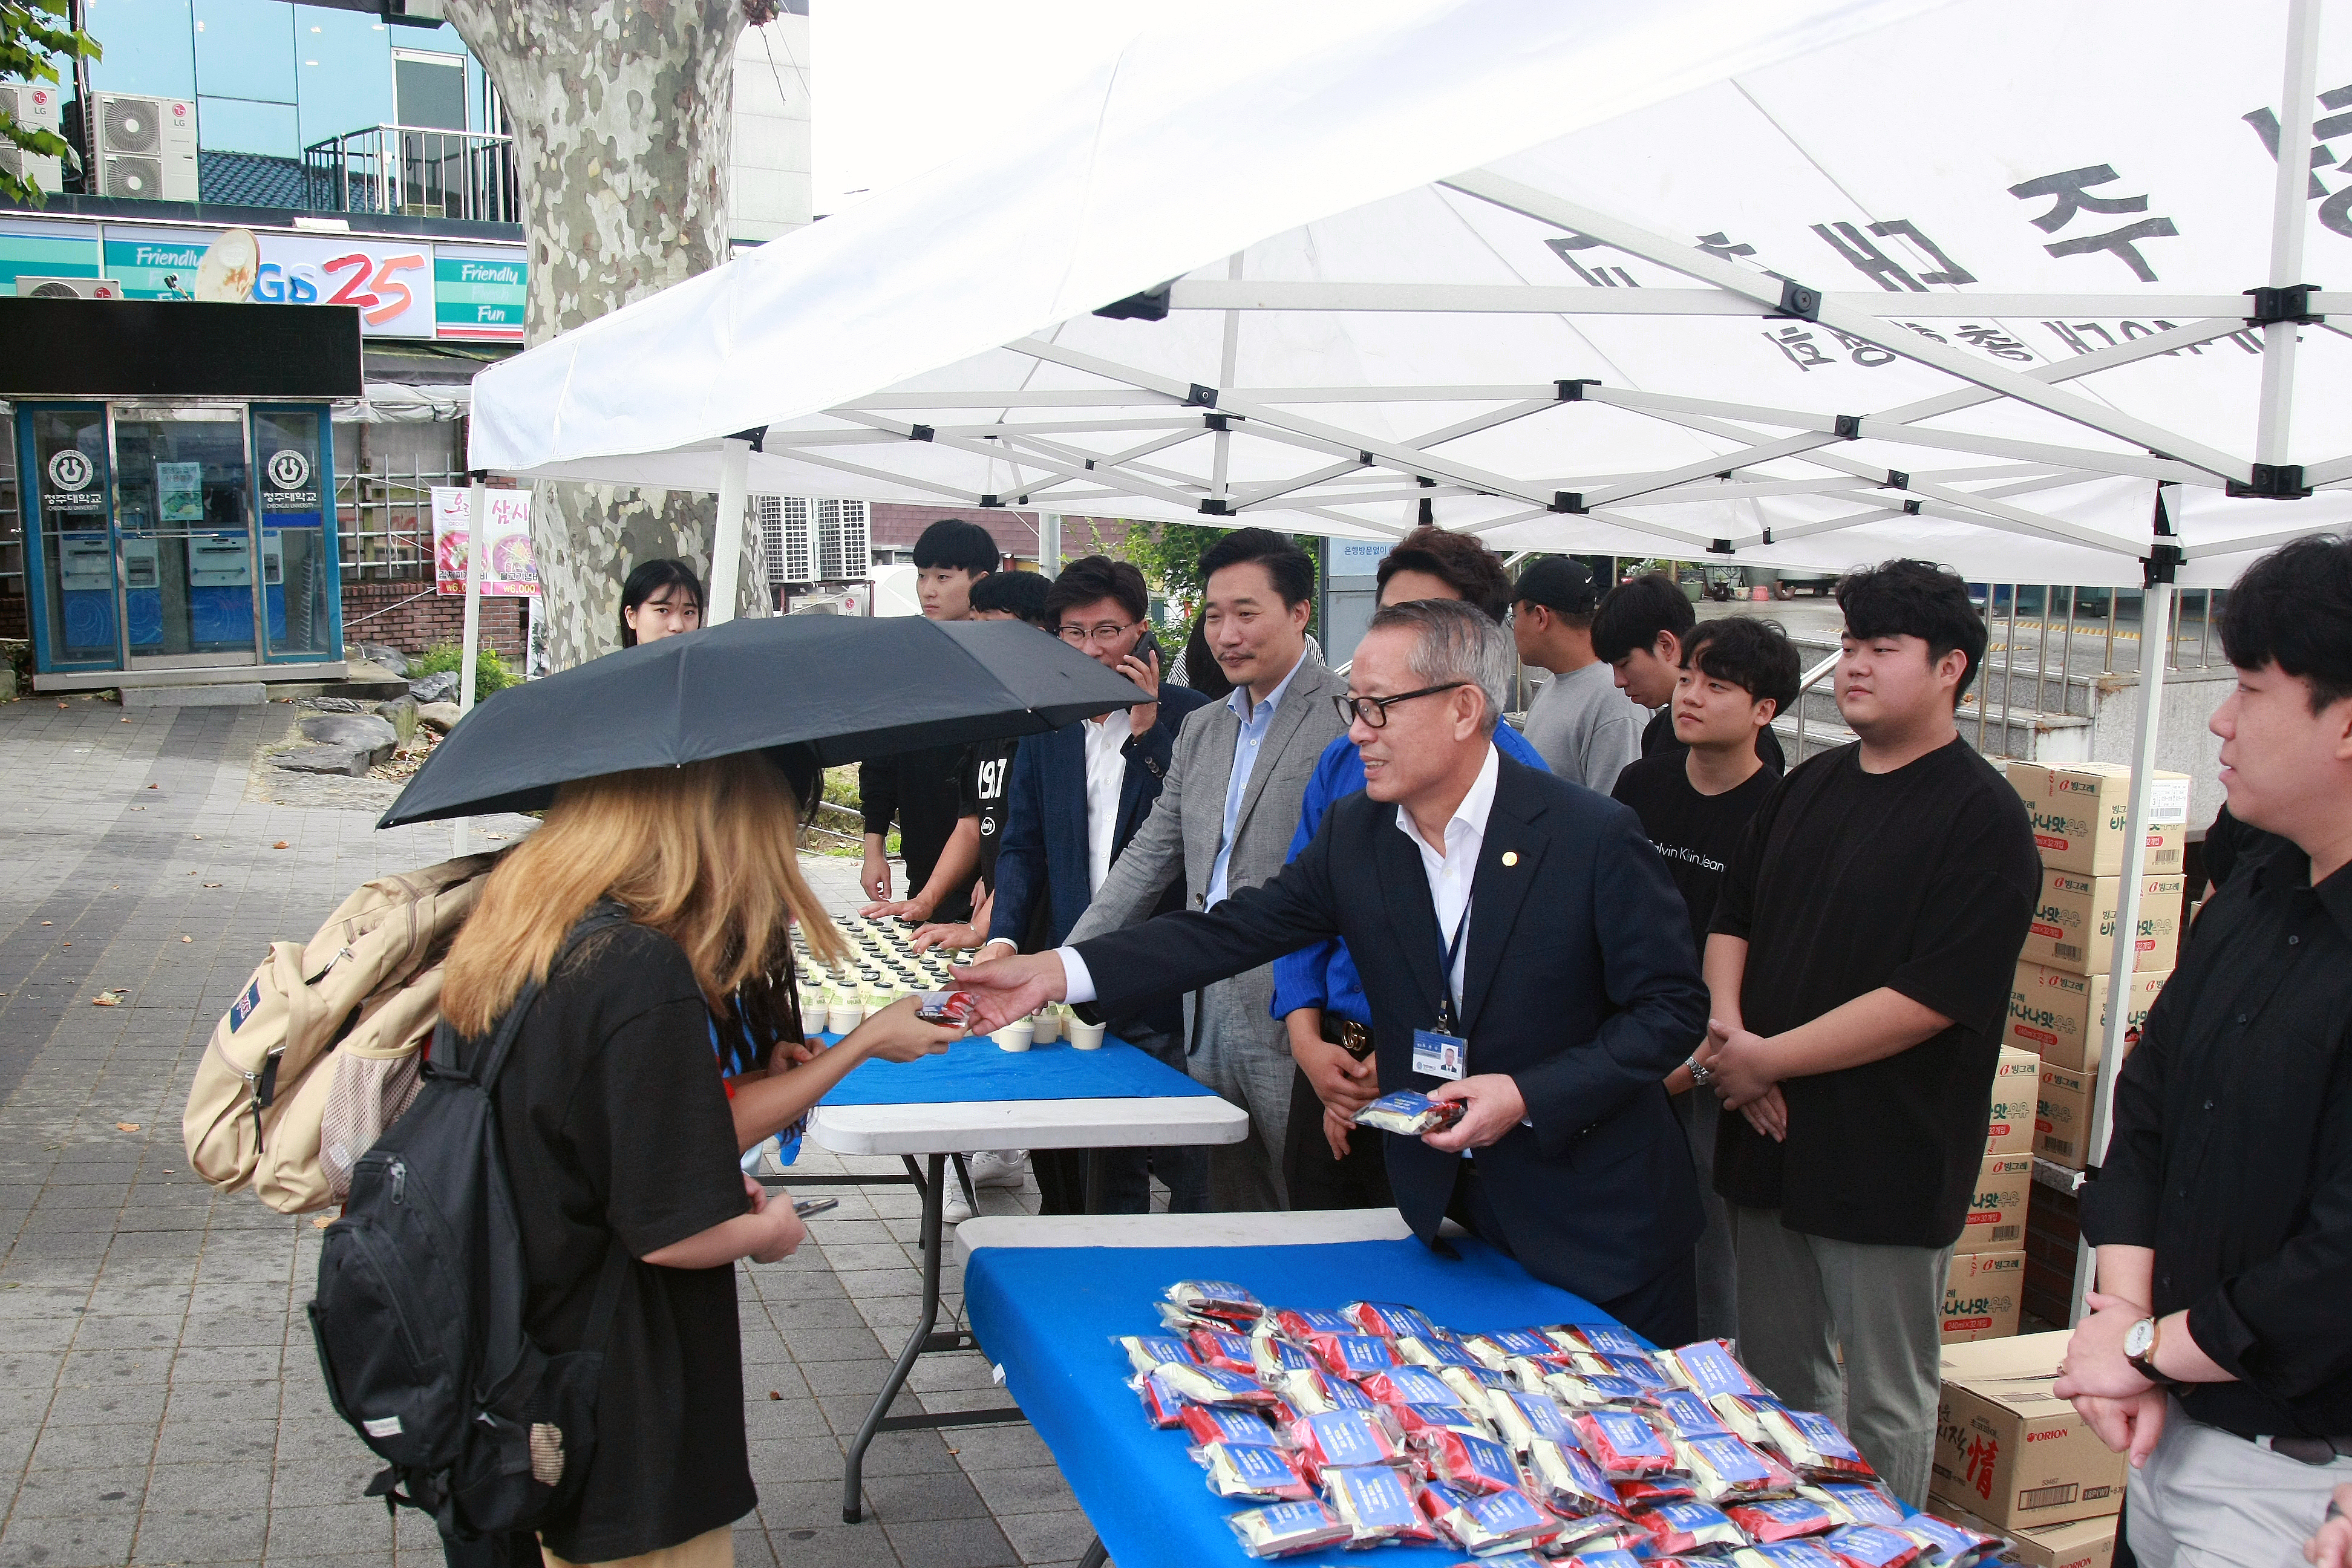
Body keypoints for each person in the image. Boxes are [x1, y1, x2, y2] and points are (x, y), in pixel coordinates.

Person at [954, 600, 1710, 1342]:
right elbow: (1234, 930)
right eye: (1355, 705)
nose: (1356, 733)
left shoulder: (1588, 836)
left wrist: (1526, 1094)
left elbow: (1671, 1011)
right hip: (1451, 1216)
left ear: (1463, 708)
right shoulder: (1363, 833)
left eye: (1379, 709)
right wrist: (1058, 972)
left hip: (1599, 1225)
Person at [440, 752, 957, 1568]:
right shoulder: (638, 966)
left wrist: (760, 1079)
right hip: (614, 1394)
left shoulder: (529, 916)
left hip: (512, 1356)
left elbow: (597, 1119)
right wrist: (767, 1229)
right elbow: (669, 1228)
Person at [1694, 558, 2039, 1508]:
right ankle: (1786, 1533)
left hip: (1890, 1150)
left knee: (1886, 1398)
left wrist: (1766, 1058)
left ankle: (1882, 1541)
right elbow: (1735, 917)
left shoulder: (1983, 817)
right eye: (1847, 646)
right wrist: (1732, 1041)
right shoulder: (1805, 787)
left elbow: (1931, 997)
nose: (1852, 667)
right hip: (1763, 1132)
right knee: (1775, 1380)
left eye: (1882, 649)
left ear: (1949, 669)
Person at [2059, 537, 2352, 1568]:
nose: (2219, 720)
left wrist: (2137, 1348)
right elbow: (2146, 1109)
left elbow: (2332, 1267)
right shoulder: (2260, 888)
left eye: (2249, 687)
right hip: (2168, 1420)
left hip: (2297, 1479)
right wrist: (2126, 1318)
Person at [1065, 529, 1350, 1210]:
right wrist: (1065, 966)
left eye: (1246, 614)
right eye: (1214, 616)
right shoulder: (1204, 727)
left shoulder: (1345, 722)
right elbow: (1147, 861)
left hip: (1299, 1010)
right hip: (1202, 999)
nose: (1226, 635)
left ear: (1300, 613)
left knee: (1308, 1200)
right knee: (1224, 1198)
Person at [1272, 526, 1547, 1210]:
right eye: (1387, 619)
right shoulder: (1346, 761)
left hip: (1450, 1088)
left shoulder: (1532, 797)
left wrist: (1400, 1066)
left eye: (1422, 623)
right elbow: (1294, 913)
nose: (1397, 640)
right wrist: (1309, 1046)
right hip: (1333, 1062)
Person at [939, 556, 1215, 1216]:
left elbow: (1188, 838)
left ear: (1142, 632)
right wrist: (1004, 936)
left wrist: (1150, 740)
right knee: (1102, 1166)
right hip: (1075, 974)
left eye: (1108, 631)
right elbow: (1022, 843)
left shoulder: (1193, 719)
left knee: (1193, 1160)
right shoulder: (1049, 724)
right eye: (1074, 633)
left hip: (1162, 976)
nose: (1092, 649)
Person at [1609, 616, 1800, 1343]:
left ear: (1764, 712)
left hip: (1714, 1070)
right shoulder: (1641, 784)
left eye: (1716, 687)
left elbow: (1764, 960)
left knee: (1710, 1257)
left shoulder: (1779, 811)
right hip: (1624, 1046)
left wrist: (1692, 1071)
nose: (1689, 696)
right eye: (1687, 678)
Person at [858, 519, 999, 924]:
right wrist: (874, 851)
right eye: (922, 576)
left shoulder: (1003, 662)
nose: (928, 590)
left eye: (943, 576)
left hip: (987, 870)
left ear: (980, 581)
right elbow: (880, 761)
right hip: (923, 863)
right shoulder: (903, 659)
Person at [1593, 570, 1786, 771]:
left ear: (1666, 645)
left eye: (1624, 664)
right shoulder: (1657, 730)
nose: (1619, 681)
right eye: (1686, 680)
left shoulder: (1751, 746)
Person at [1512, 557, 1644, 792]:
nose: (1515, 629)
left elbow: (1616, 817)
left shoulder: (1615, 696)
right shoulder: (1554, 682)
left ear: (1541, 617)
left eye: (1515, 617)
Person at [618, 558, 704, 648]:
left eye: (688, 613)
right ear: (632, 617)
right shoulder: (608, 662)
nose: (678, 626)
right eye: (663, 610)